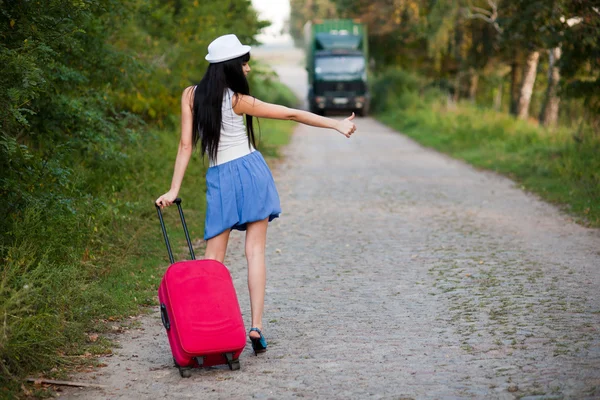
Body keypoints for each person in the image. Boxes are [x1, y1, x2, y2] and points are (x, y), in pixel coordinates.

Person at [155, 34, 356, 355]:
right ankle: (255, 327)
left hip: (220, 178)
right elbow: (291, 113)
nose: (247, 68)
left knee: (213, 261)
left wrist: (174, 188)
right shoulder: (238, 101)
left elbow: (185, 145)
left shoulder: (190, 96)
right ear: (231, 67)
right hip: (250, 173)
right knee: (255, 252)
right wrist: (335, 125)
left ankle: (208, 330)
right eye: (243, 62)